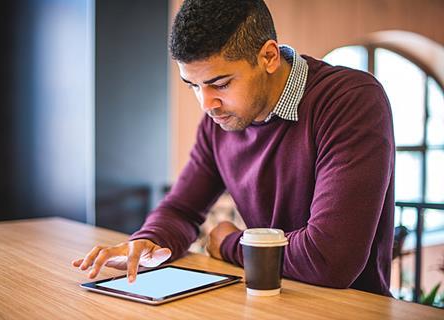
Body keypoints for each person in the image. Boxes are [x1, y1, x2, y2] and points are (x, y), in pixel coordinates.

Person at [73, 0, 395, 296]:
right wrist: (149, 239)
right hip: (262, 301)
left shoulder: (350, 101)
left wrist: (228, 242)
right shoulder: (220, 121)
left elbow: (329, 258)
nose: (207, 104)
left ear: (268, 56)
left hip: (346, 308)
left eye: (221, 84)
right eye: (194, 86)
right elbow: (181, 210)